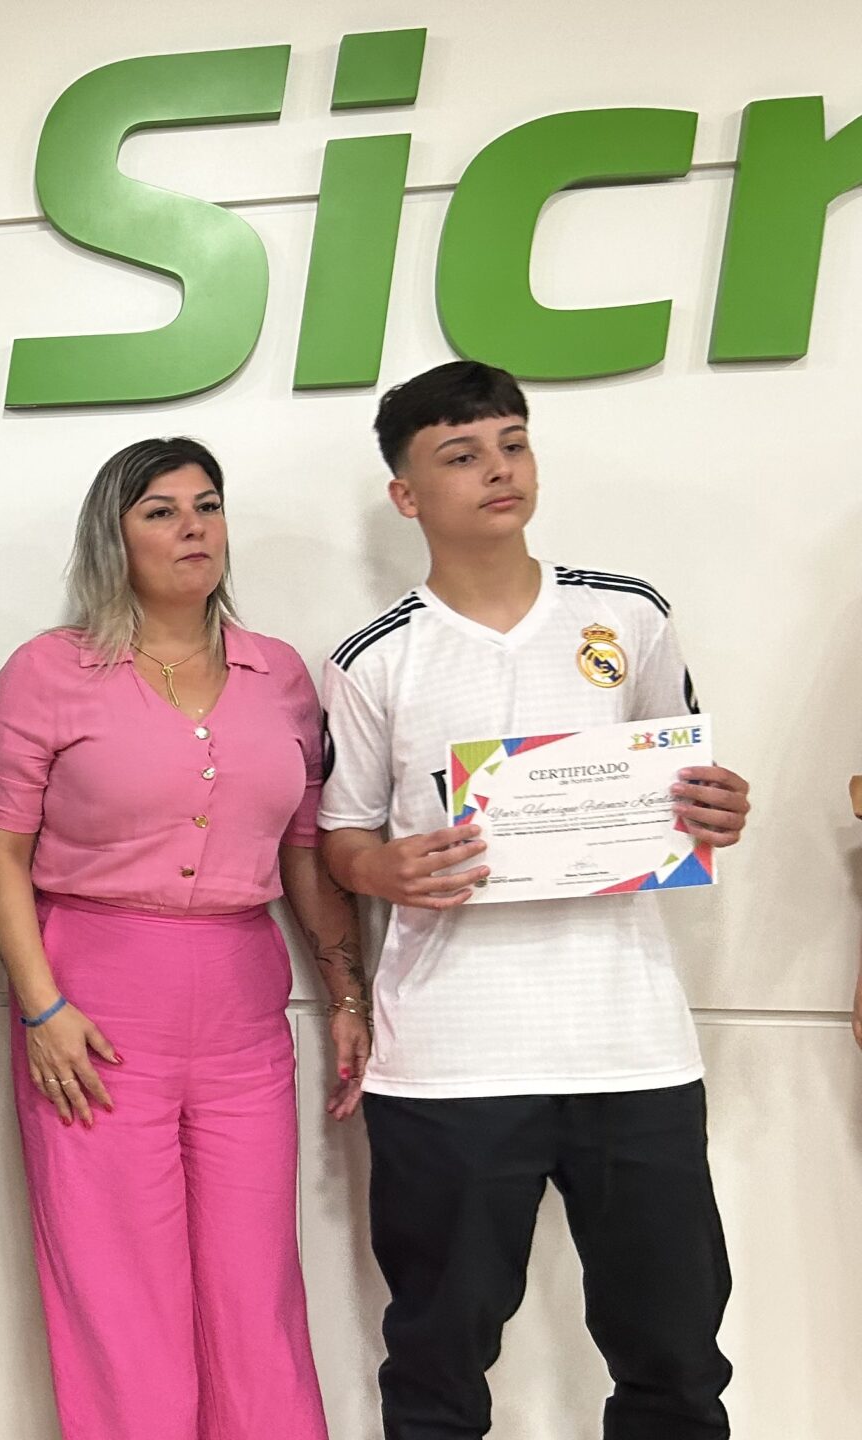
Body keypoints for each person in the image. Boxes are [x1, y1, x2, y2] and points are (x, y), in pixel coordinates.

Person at [321, 361, 752, 1440]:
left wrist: (714, 806)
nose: (498, 469)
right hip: (451, 1061)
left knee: (676, 1363)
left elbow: (681, 784)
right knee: (437, 1370)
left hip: (630, 1049)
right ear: (406, 495)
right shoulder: (375, 659)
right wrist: (382, 869)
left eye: (512, 444)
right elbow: (340, 836)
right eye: (461, 455)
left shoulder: (628, 616)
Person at [0, 437, 362, 1440]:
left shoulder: (279, 675)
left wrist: (346, 994)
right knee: (117, 1293)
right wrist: (41, 1006)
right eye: (161, 511)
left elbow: (307, 855)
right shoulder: (48, 672)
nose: (192, 527)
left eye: (206, 505)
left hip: (242, 1012)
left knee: (255, 1289)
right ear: (115, 536)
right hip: (91, 1014)